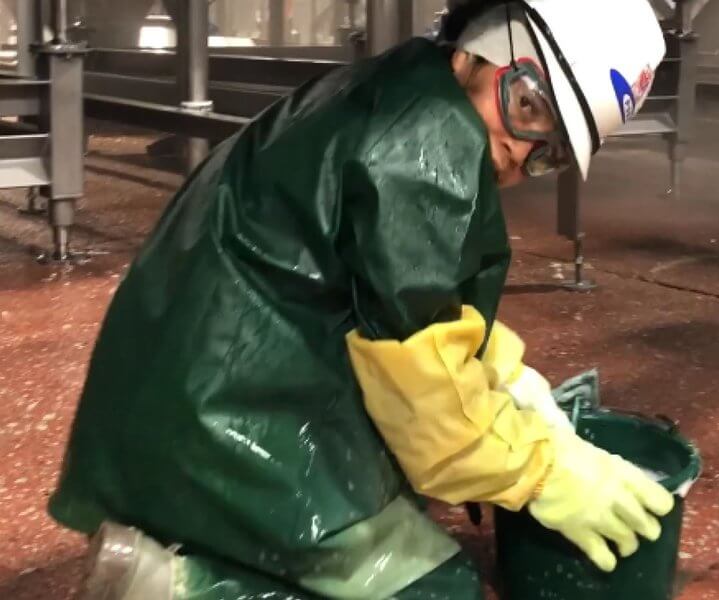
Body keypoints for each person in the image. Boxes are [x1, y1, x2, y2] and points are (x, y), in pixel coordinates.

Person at [49, 1, 672, 598]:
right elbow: (430, 406)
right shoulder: (426, 147)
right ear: (483, 45)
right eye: (527, 105)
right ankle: (185, 586)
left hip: (189, 379)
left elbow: (422, 304)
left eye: (551, 152)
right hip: (225, 419)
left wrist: (513, 384)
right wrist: (545, 474)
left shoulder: (408, 84)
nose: (521, 151)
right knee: (434, 591)